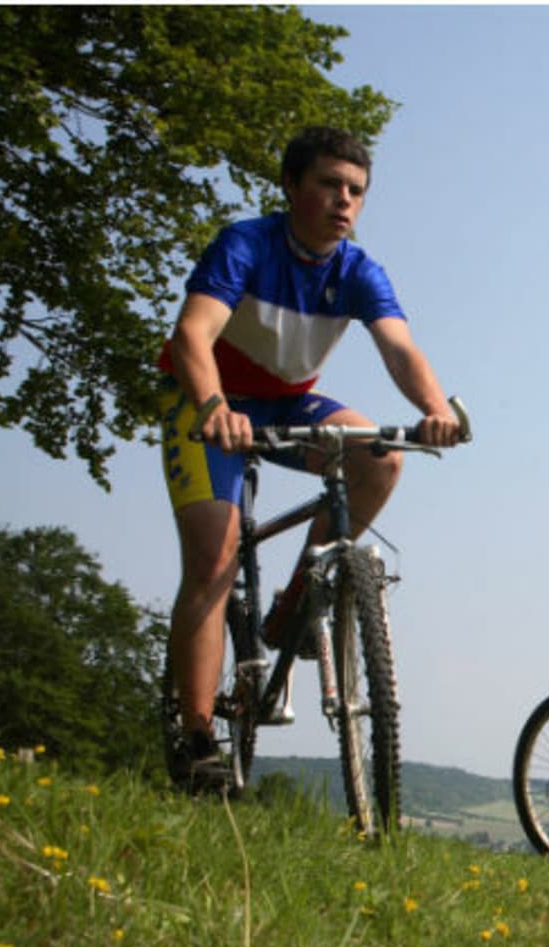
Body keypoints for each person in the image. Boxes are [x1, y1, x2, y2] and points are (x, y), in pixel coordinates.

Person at [157, 126, 462, 788]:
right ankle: (197, 735)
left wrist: (436, 411)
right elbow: (192, 335)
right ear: (291, 187)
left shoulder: (358, 270)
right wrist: (214, 409)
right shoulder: (247, 245)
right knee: (214, 558)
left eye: (355, 190)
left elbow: (400, 350)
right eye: (328, 184)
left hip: (287, 404)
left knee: (379, 457)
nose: (343, 200)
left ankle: (298, 600)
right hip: (206, 402)